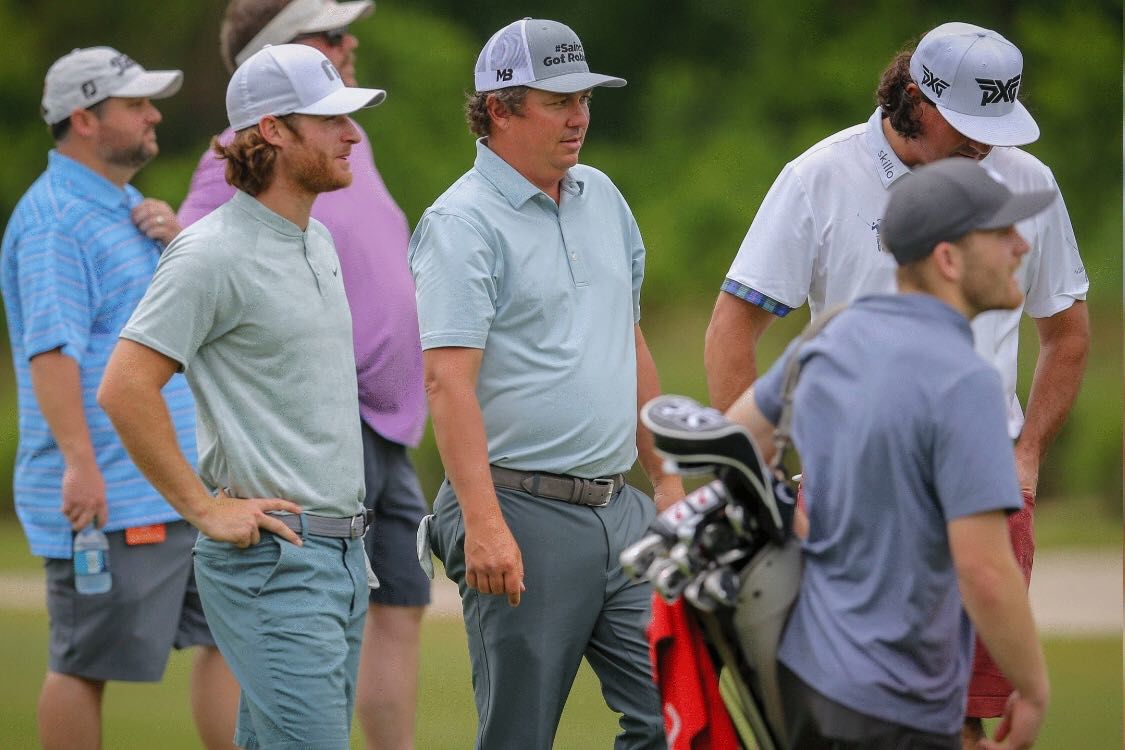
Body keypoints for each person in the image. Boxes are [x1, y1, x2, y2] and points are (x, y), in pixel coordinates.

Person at [703, 22, 1088, 744]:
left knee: (937, 717)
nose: (985, 146)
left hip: (986, 478)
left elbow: (1065, 333)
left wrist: (1026, 455)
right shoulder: (820, 176)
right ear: (916, 98)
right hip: (848, 490)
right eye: (968, 125)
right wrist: (775, 486)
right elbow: (731, 330)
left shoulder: (833, 336)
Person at [98, 44, 386, 749]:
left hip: (341, 559)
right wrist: (203, 508)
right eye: (329, 121)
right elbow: (124, 388)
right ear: (273, 131)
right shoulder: (208, 253)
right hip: (274, 564)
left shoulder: (315, 240)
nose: (352, 136)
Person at [409, 18, 683, 749]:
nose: (580, 116)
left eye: (584, 99)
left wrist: (666, 477)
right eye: (558, 100)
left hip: (617, 510)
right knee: (519, 736)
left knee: (674, 717)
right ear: (499, 109)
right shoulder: (460, 223)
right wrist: (484, 525)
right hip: (514, 511)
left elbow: (627, 344)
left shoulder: (602, 196)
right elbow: (446, 384)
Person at [727, 158, 1052, 749]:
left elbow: (733, 440)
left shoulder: (831, 333)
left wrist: (786, 517)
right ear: (948, 259)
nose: (1020, 246)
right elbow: (984, 569)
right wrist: (1031, 690)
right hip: (897, 701)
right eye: (1001, 233)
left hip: (806, 678)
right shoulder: (966, 381)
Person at [178, 2, 430, 746]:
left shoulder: (342, 144)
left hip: (379, 429)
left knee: (399, 603)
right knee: (257, 637)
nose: (349, 42)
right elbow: (187, 287)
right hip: (298, 434)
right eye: (329, 35)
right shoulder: (234, 163)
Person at [0, 47, 237, 750]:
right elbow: (51, 352)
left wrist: (175, 243)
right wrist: (80, 463)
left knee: (230, 639)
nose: (153, 114)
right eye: (135, 104)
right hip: (110, 492)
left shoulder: (130, 209)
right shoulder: (52, 221)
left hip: (175, 482)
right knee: (83, 664)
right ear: (85, 118)